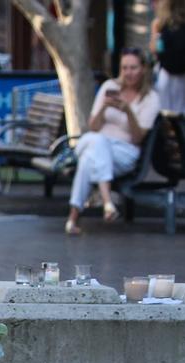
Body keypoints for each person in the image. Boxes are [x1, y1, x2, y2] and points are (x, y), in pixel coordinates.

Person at [65, 48, 160, 235]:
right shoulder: (110, 87)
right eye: (125, 68)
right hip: (98, 144)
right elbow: (93, 126)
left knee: (87, 158)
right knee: (97, 141)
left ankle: (73, 218)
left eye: (133, 68)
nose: (128, 73)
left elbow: (138, 137)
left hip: (125, 152)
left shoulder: (150, 98)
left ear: (143, 69)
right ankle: (108, 202)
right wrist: (103, 108)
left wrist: (128, 111)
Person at [151, 0, 185, 116]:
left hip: (166, 74)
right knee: (184, 113)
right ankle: (184, 133)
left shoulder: (160, 24)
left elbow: (155, 49)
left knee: (164, 111)